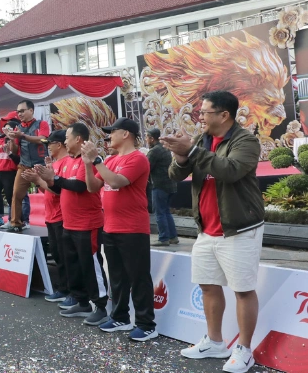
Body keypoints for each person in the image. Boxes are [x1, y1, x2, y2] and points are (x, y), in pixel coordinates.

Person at [163, 91, 264, 373]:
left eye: (205, 112)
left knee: (243, 290)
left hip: (239, 228)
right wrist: (182, 155)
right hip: (206, 230)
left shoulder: (246, 140)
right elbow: (174, 175)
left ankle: (244, 349)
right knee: (208, 285)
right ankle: (215, 342)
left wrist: (192, 151)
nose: (200, 116)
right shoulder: (201, 140)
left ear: (224, 115)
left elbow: (230, 170)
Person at [81, 117, 158, 342]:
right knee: (117, 277)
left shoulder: (138, 158)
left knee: (138, 277)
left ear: (126, 134)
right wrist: (88, 163)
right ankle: (121, 317)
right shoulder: (112, 160)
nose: (109, 136)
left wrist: (96, 160)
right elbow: (92, 186)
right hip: (111, 227)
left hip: (133, 228)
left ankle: (146, 324)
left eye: (112, 132)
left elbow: (116, 182)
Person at [36, 123, 108, 325]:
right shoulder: (67, 161)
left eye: (67, 138)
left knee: (91, 266)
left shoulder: (90, 160)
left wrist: (55, 179)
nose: (65, 142)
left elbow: (79, 186)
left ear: (78, 139)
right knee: (74, 266)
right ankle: (81, 301)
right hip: (69, 223)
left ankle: (101, 306)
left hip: (87, 223)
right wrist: (49, 181)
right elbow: (61, 190)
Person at [22, 130, 69, 302]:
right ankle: (64, 289)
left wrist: (38, 180)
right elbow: (46, 191)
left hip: (61, 216)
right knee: (57, 255)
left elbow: (58, 190)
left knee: (64, 257)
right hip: (51, 216)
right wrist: (38, 181)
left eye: (50, 143)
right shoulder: (54, 164)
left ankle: (68, 290)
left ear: (59, 144)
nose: (47, 147)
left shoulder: (66, 163)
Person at [4, 100, 50, 232]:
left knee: (51, 193)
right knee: (17, 194)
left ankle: (59, 219)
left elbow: (43, 139)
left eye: (22, 111)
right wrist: (12, 139)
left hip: (40, 166)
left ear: (31, 110)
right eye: (18, 112)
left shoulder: (42, 123)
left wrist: (22, 136)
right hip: (24, 165)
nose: (20, 114)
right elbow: (14, 150)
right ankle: (15, 223)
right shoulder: (18, 128)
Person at [146, 128, 179, 246]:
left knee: (159, 213)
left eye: (147, 137)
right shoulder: (164, 148)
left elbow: (145, 168)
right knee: (166, 212)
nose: (146, 140)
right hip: (170, 184)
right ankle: (173, 237)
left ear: (151, 138)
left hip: (159, 185)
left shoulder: (154, 151)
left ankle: (163, 238)